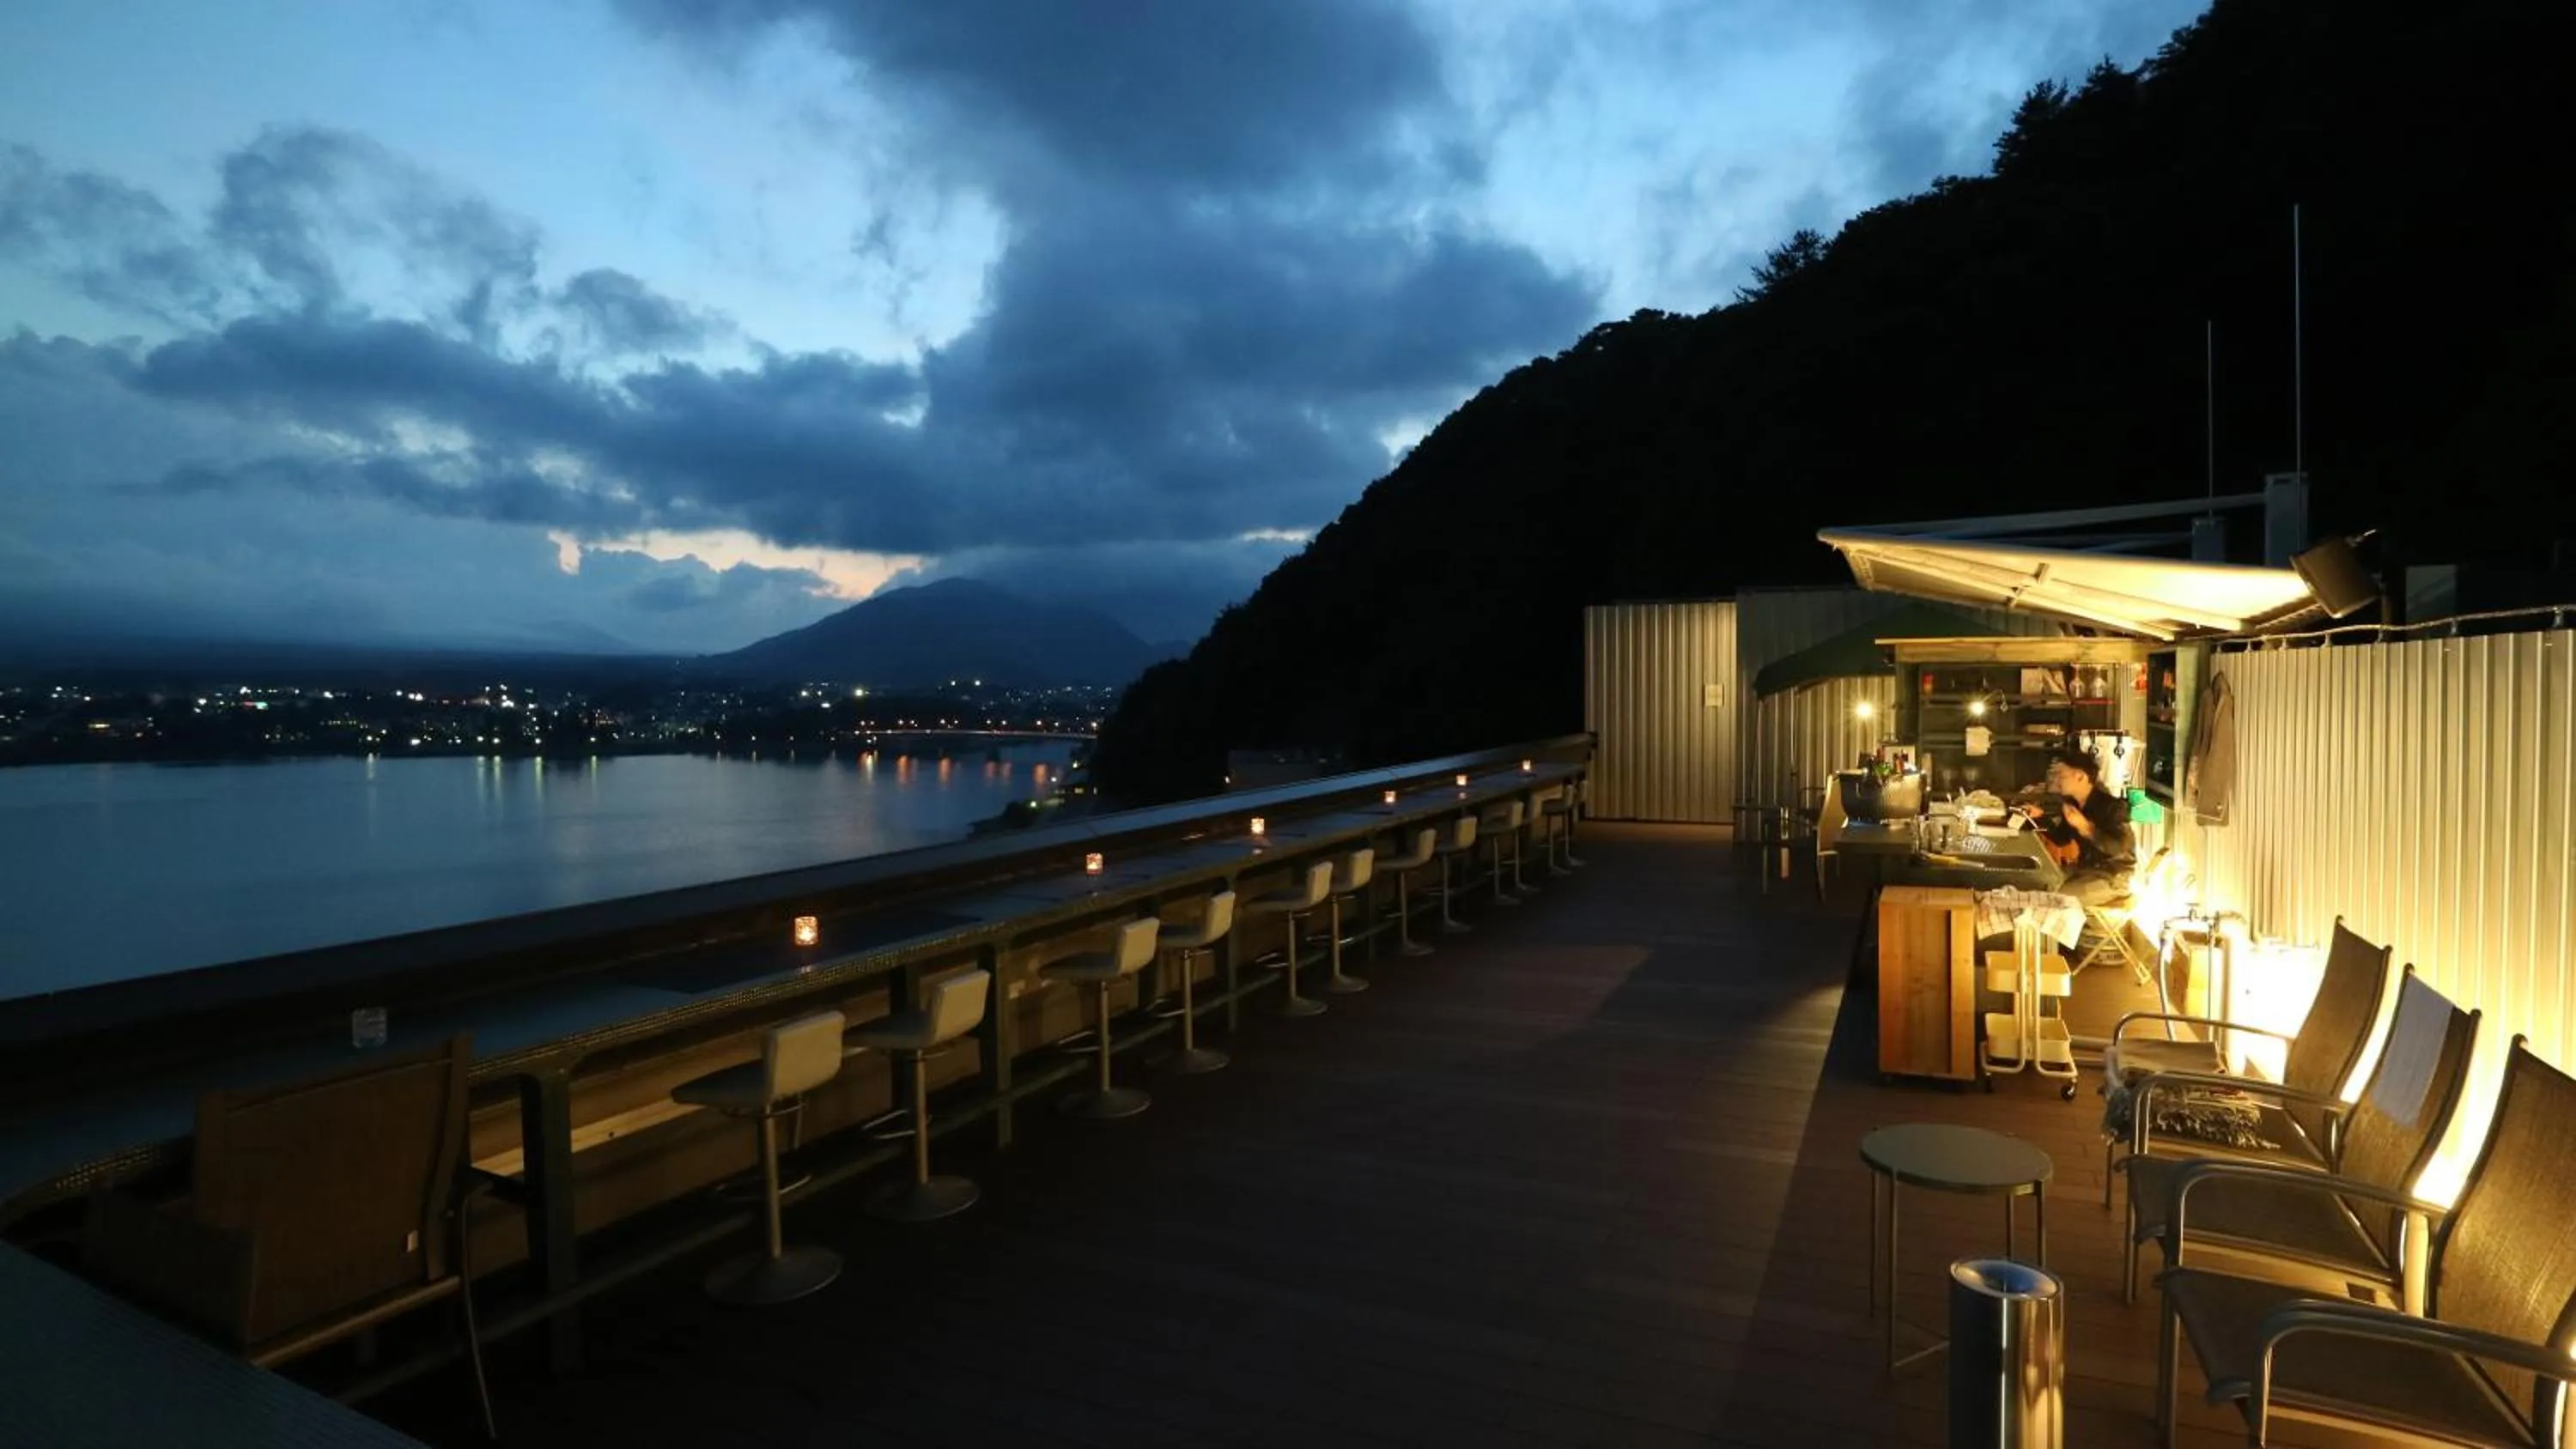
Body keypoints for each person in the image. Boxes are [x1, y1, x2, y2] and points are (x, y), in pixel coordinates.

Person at [2016, 749, 2134, 906]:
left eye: (2062, 776)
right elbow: (2061, 839)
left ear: (2080, 777)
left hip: (2113, 876)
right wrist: (2040, 817)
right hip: (2085, 869)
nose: (2057, 781)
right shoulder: (2074, 804)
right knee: (2039, 885)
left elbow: (2120, 848)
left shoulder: (2113, 806)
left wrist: (2086, 827)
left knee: (2056, 900)